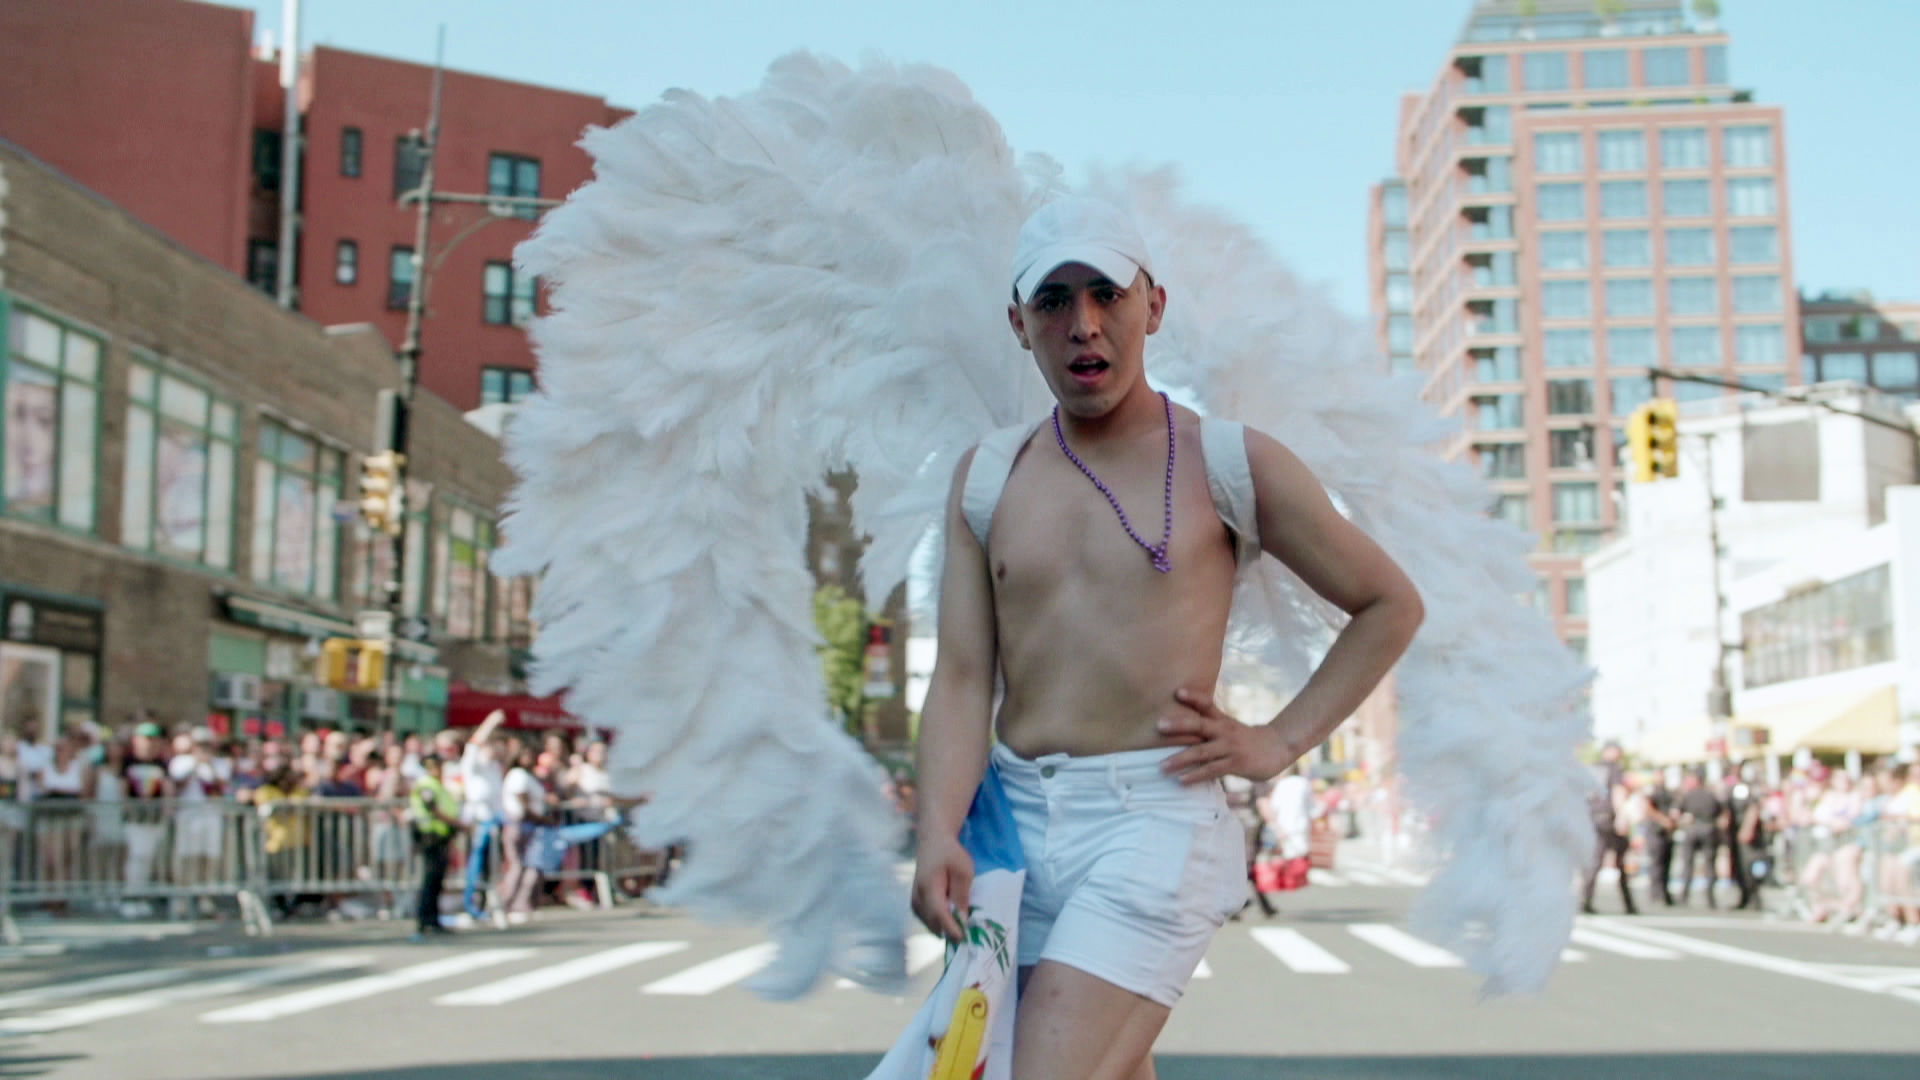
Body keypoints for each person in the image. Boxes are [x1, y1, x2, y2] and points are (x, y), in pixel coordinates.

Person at [909, 199, 1425, 1079]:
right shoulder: (987, 477)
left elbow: (1389, 603)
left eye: (1107, 293)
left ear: (1154, 306)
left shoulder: (1229, 461)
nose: (1084, 324)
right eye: (1054, 301)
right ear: (1019, 324)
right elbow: (960, 679)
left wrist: (1279, 741)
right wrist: (936, 833)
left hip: (1153, 821)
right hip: (1015, 832)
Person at [409, 752, 461, 940]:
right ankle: (424, 920)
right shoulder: (426, 784)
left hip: (441, 837)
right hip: (430, 836)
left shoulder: (437, 785)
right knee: (430, 880)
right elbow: (432, 808)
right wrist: (456, 823)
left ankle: (433, 920)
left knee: (437, 880)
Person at [497, 742, 550, 925]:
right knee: (517, 865)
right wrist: (541, 819)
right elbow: (522, 800)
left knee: (531, 866)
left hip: (529, 825)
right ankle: (508, 904)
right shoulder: (518, 774)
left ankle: (522, 903)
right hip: (521, 823)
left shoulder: (528, 775)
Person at [1581, 743, 1637, 915]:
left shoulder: (1591, 769)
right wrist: (1621, 816)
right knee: (1620, 861)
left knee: (1595, 861)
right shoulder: (1613, 768)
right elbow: (1618, 792)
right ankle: (1628, 904)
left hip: (1593, 819)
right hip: (1608, 819)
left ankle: (1586, 900)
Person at [1674, 768, 1722, 909]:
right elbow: (1720, 813)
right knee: (1709, 864)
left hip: (1692, 829)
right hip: (1708, 829)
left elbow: (1676, 813)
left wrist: (1683, 821)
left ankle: (1684, 896)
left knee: (1688, 863)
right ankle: (1710, 897)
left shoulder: (1688, 795)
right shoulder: (1711, 795)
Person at [1640, 770, 1677, 906]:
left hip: (1666, 832)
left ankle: (1664, 892)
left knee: (1666, 864)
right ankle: (1656, 893)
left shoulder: (1668, 792)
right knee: (1656, 864)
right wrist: (1664, 821)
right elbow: (1648, 809)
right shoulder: (1651, 791)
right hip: (1655, 831)